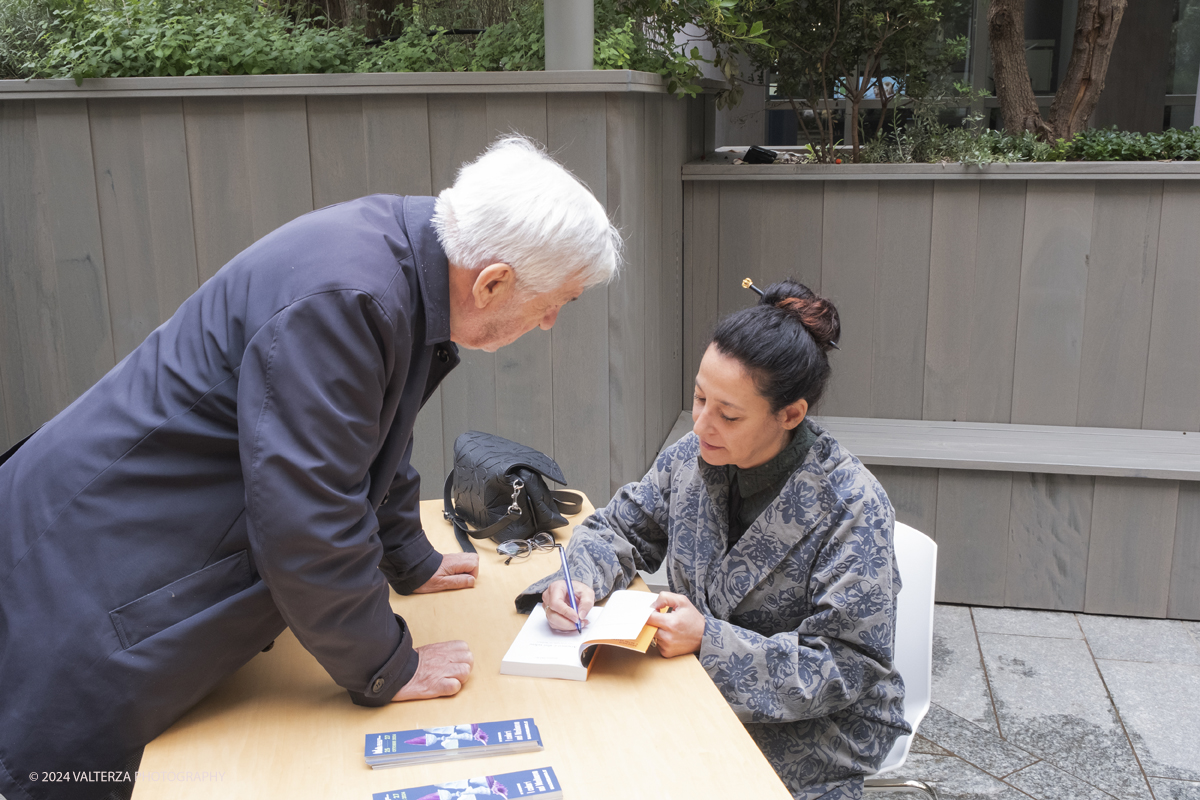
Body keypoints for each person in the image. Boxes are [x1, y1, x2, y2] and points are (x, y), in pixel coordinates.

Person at [0, 135, 621, 800]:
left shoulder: (401, 265)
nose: (551, 321)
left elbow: (371, 436)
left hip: (112, 536)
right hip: (88, 570)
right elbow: (306, 514)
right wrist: (387, 665)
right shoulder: (350, 298)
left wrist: (410, 557)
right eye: (556, 301)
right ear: (492, 281)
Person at [519, 280, 910, 800]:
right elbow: (621, 527)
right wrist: (578, 582)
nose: (702, 424)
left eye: (728, 414)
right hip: (692, 681)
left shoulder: (850, 505)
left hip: (817, 726)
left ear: (790, 414)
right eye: (699, 397)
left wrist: (709, 641)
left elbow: (845, 665)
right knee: (580, 741)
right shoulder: (693, 456)